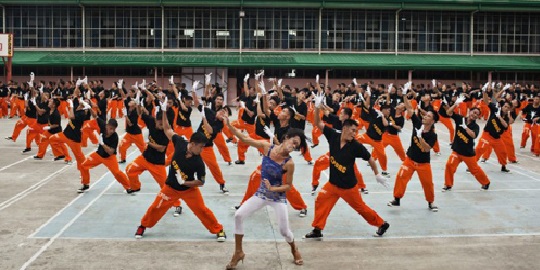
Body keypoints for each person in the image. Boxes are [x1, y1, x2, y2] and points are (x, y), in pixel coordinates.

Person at [304, 93, 390, 239]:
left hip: (349, 188)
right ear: (345, 128)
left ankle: (381, 224)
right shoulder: (333, 136)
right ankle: (317, 229)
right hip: (332, 185)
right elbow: (318, 123)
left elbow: (370, 159)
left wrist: (377, 174)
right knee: (321, 201)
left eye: (356, 131)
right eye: (353, 130)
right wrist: (317, 108)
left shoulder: (356, 146)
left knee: (361, 208)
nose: (355, 133)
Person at [134, 109, 227, 242]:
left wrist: (186, 183)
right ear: (192, 144)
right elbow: (167, 129)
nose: (202, 150)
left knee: (202, 211)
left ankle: (219, 229)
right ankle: (143, 226)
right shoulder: (180, 142)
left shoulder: (198, 162)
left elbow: (200, 182)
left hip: (189, 190)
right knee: (156, 208)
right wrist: (165, 111)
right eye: (200, 147)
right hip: (170, 188)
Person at [225, 122, 306, 269]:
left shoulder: (289, 163)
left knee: (284, 231)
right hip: (261, 194)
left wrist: (274, 189)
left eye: (296, 146)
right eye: (293, 142)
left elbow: (288, 186)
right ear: (286, 138)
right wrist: (229, 125)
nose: (293, 146)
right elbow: (244, 139)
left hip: (278, 198)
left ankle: (294, 248)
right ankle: (238, 252)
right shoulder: (267, 147)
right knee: (238, 215)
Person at [388, 89, 439, 212]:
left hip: (423, 163)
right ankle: (397, 199)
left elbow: (426, 149)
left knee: (427, 184)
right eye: (426, 115)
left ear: (432, 121)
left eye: (428, 116)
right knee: (400, 177)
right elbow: (410, 109)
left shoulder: (433, 135)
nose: (425, 117)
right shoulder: (417, 123)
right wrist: (405, 95)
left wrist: (420, 136)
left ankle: (430, 202)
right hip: (410, 160)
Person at [443, 105, 490, 191]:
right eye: (474, 112)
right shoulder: (460, 119)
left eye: (477, 114)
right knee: (449, 165)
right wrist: (456, 104)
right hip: (457, 150)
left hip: (468, 153)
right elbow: (448, 113)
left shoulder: (476, 126)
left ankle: (486, 182)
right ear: (470, 111)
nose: (475, 115)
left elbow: (474, 135)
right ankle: (448, 184)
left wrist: (465, 127)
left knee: (474, 170)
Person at [78, 117, 131, 193]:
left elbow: (110, 152)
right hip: (98, 155)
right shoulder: (103, 126)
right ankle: (85, 184)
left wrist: (102, 143)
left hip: (109, 158)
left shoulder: (115, 137)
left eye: (114, 129)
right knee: (83, 166)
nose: (112, 131)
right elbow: (95, 116)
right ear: (106, 126)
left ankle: (128, 186)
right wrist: (89, 106)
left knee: (117, 173)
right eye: (111, 128)